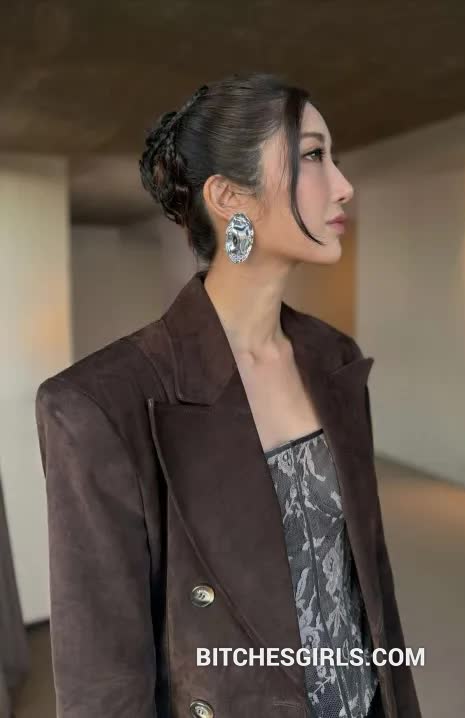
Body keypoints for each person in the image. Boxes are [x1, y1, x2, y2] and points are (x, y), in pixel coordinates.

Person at [35, 72, 422, 718]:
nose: (343, 184)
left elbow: (370, 587)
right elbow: (105, 688)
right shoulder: (98, 407)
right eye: (312, 156)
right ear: (228, 197)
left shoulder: (334, 359)